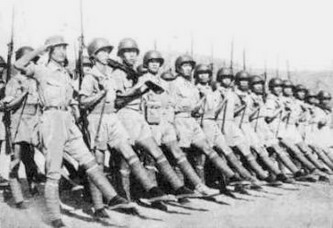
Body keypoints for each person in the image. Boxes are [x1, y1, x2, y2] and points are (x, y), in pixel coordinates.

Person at [14, 35, 137, 228]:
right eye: (58, 48)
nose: (63, 51)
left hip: (68, 121)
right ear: (50, 50)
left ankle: (112, 197)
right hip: (52, 121)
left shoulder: (66, 73)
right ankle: (56, 218)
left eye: (64, 47)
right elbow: (19, 64)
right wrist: (41, 48)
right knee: (53, 172)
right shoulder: (41, 70)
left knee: (89, 161)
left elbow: (72, 99)